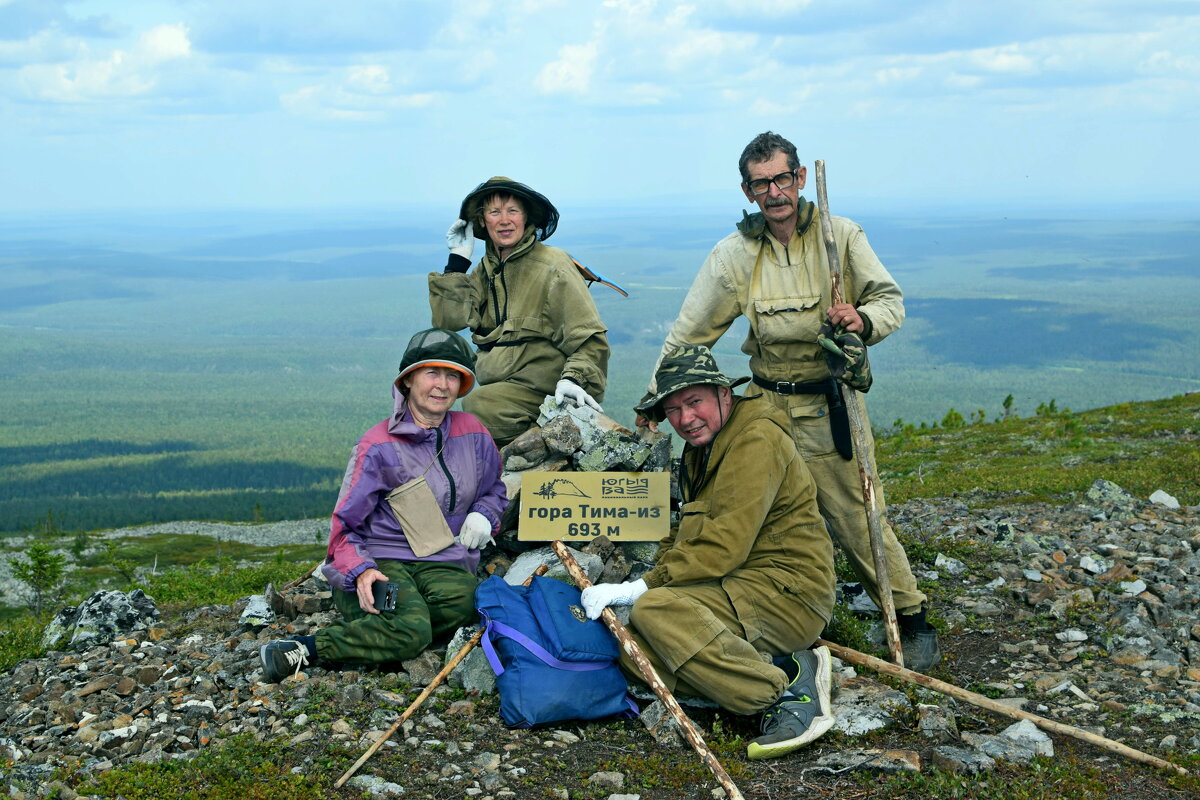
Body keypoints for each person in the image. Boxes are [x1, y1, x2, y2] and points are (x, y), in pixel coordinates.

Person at [643, 131, 940, 671]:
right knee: (745, 509)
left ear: (800, 178)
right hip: (760, 404)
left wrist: (862, 321)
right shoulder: (734, 255)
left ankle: (910, 616)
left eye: (783, 178)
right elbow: (688, 335)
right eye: (762, 184)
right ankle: (762, 609)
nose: (774, 191)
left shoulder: (840, 237)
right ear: (748, 190)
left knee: (854, 512)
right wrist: (653, 397)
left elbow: (889, 301)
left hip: (827, 404)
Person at [582, 345, 837, 760]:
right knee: (629, 645)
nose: (685, 419)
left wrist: (642, 587)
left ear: (724, 393)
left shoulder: (755, 439)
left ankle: (785, 692)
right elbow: (686, 533)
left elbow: (723, 546)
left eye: (694, 401)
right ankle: (766, 668)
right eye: (674, 408)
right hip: (736, 587)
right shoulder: (702, 450)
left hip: (788, 594)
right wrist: (646, 581)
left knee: (653, 612)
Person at [258, 328, 507, 683]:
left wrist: (486, 514)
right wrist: (360, 570)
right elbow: (344, 529)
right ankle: (303, 649)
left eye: (453, 375)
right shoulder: (377, 446)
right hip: (382, 560)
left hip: (442, 561)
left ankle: (390, 634)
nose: (442, 385)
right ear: (408, 380)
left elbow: (495, 490)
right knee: (413, 629)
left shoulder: (473, 432)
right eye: (432, 373)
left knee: (471, 604)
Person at [428, 177, 610, 447]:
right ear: (482, 221)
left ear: (526, 218)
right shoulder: (485, 269)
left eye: (512, 210)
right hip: (503, 390)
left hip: (546, 391)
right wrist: (457, 263)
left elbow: (589, 339)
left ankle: (544, 443)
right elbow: (448, 322)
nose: (504, 220)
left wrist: (574, 379)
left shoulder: (553, 266)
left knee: (477, 405)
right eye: (494, 212)